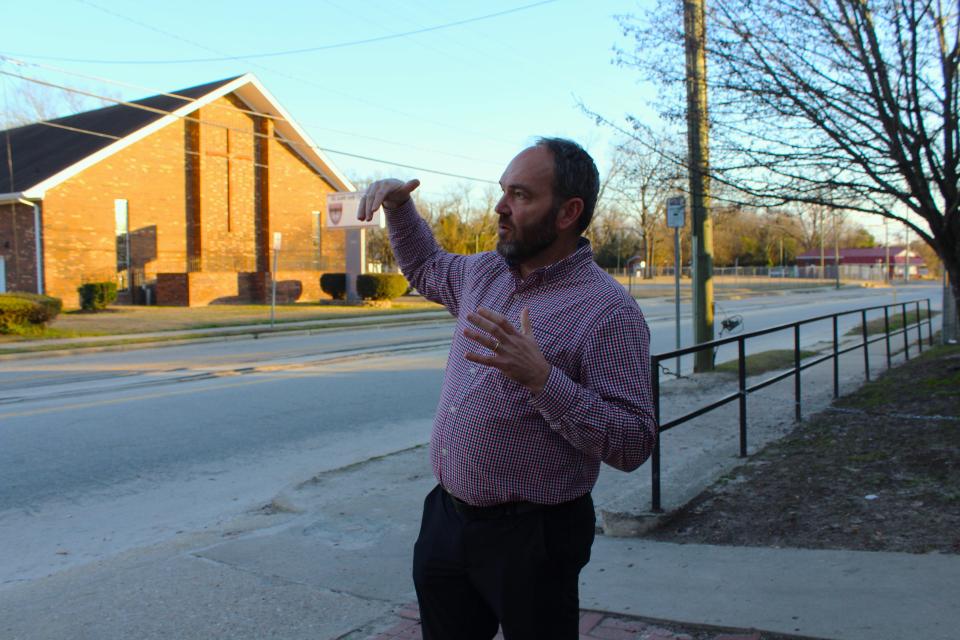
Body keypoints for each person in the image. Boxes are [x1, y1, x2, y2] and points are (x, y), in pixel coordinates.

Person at [358, 137, 657, 639]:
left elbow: (633, 442)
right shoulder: (484, 272)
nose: (500, 207)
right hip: (447, 520)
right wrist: (400, 207)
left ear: (568, 212)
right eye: (503, 191)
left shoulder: (609, 312)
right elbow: (428, 267)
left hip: (535, 536)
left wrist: (543, 381)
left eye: (520, 195)